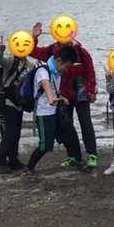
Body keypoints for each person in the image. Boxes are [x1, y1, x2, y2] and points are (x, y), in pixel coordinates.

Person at [29, 22, 99, 170]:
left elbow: (90, 71)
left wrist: (92, 90)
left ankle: (92, 154)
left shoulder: (81, 52)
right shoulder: (53, 50)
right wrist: (34, 38)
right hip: (63, 96)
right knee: (67, 126)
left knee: (85, 123)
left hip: (81, 94)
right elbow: (33, 52)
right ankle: (73, 157)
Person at [21, 46, 85, 179]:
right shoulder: (43, 71)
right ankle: (28, 169)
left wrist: (62, 98)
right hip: (44, 114)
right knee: (45, 145)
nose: (67, 70)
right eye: (66, 67)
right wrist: (50, 98)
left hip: (56, 111)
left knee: (70, 134)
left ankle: (78, 160)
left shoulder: (56, 72)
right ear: (59, 61)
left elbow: (55, 90)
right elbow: (45, 84)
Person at [0, 36, 37, 173]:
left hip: (19, 102)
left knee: (16, 133)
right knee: (9, 133)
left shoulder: (31, 65)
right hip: (7, 102)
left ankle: (13, 160)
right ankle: (0, 161)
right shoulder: (10, 60)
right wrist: (0, 50)